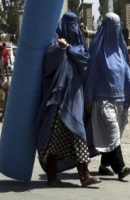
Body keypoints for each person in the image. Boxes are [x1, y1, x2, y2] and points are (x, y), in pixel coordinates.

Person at [35, 11, 100, 187]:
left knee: (79, 134)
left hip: (74, 100)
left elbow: (84, 60)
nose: (74, 28)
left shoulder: (78, 45)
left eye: (75, 24)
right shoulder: (54, 42)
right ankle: (53, 176)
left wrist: (68, 47)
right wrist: (60, 48)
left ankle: (84, 175)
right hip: (57, 101)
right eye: (70, 25)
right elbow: (48, 65)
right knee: (54, 139)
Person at [83, 12, 130, 181]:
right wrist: (89, 98)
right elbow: (91, 76)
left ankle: (104, 165)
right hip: (102, 100)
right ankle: (120, 167)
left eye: (117, 26)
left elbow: (127, 71)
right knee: (113, 131)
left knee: (115, 135)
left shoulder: (121, 51)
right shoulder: (98, 53)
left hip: (120, 100)